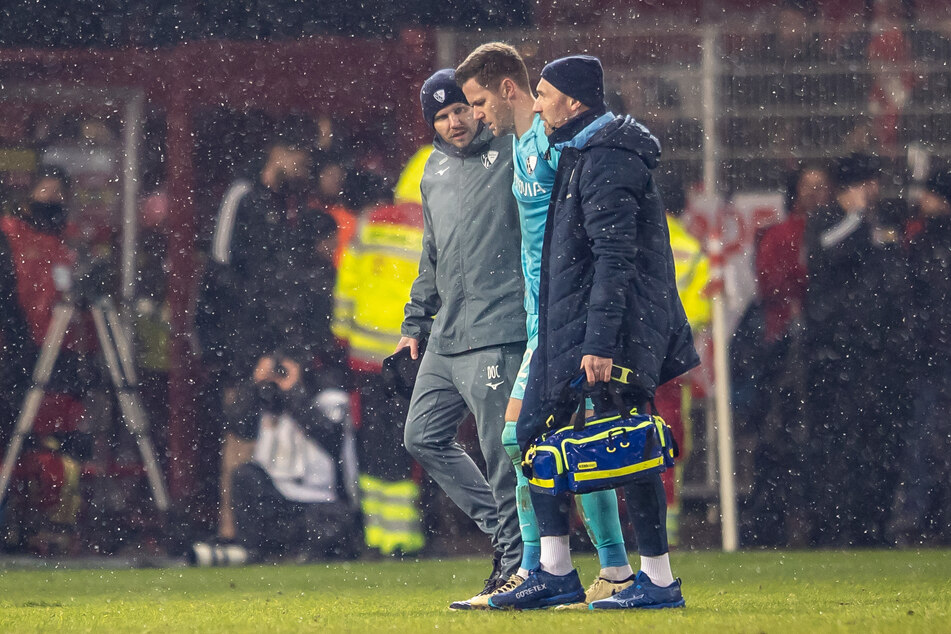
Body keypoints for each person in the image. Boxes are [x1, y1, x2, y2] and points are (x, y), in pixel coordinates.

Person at [490, 55, 699, 610]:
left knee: (628, 447)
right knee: (535, 432)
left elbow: (614, 259)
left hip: (609, 333)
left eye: (544, 94)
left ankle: (654, 579)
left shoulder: (607, 159)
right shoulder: (586, 153)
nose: (536, 105)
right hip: (576, 326)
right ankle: (559, 572)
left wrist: (601, 343)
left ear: (575, 102)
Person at [455, 42, 638, 609]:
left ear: (508, 90)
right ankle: (575, 570)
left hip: (569, 317)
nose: (474, 115)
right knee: (549, 444)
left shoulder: (555, 145)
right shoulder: (517, 147)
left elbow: (591, 223)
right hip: (543, 316)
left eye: (479, 102)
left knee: (535, 439)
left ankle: (575, 569)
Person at [398, 68, 526, 607]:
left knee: (502, 452)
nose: (454, 122)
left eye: (460, 110)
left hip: (498, 328)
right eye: (442, 116)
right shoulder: (433, 171)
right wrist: (415, 321)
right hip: (447, 335)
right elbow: (432, 254)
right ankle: (508, 536)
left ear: (478, 106)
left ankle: (519, 566)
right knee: (421, 436)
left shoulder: (515, 151)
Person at [195, 134, 355, 559]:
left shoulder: (274, 204)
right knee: (239, 426)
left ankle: (243, 531)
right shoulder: (244, 195)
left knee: (251, 426)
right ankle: (231, 531)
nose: (305, 169)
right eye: (301, 158)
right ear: (279, 152)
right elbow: (221, 269)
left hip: (257, 337)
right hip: (238, 338)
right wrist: (236, 341)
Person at [803, 153, 909, 547]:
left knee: (880, 444)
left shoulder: (878, 223)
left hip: (876, 354)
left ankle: (874, 524)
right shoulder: (828, 221)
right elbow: (822, 253)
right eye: (870, 183)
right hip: (834, 356)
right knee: (837, 444)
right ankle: (835, 527)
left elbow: (892, 279)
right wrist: (857, 219)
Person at [332, 173, 426, 557]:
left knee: (372, 442)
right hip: (408, 355)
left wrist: (343, 333)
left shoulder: (368, 222)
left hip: (365, 356)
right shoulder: (431, 229)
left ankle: (377, 536)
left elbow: (347, 284)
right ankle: (403, 536)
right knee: (408, 443)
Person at [0, 166, 92, 554]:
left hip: (57, 351)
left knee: (51, 439)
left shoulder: (65, 243)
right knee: (12, 436)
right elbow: (11, 295)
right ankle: (12, 522)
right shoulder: (9, 234)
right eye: (45, 192)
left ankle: (45, 524)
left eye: (59, 193)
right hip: (17, 349)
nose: (52, 201)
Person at [896, 168, 951, 544]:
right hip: (933, 354)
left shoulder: (925, 241)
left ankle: (921, 515)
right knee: (924, 438)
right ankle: (923, 516)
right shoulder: (922, 240)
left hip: (933, 353)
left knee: (925, 438)